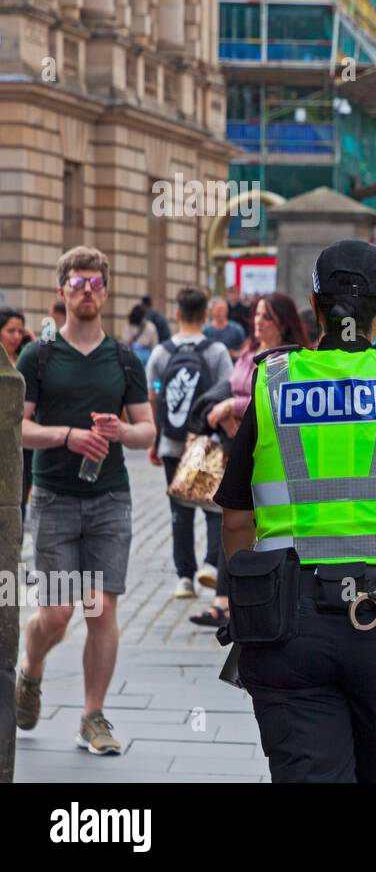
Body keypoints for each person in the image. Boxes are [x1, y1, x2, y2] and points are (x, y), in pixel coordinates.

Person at [213, 240, 376, 782]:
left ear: (314, 306)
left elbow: (237, 519)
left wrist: (253, 604)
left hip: (287, 626)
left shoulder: (271, 383)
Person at [15, 246, 155, 755]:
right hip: (53, 496)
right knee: (55, 615)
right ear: (62, 291)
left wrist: (122, 430)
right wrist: (67, 436)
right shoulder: (40, 355)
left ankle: (93, 716)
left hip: (109, 498)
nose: (87, 291)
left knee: (100, 610)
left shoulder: (123, 358)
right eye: (78, 283)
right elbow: (20, 428)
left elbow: (146, 432)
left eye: (95, 283)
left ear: (107, 291)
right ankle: (30, 670)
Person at [198, 292, 310, 627]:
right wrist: (229, 413)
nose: (259, 322)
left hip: (271, 453)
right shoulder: (248, 352)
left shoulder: (291, 360)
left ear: (284, 324)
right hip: (236, 447)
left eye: (267, 317)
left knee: (256, 524)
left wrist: (233, 409)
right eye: (257, 315)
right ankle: (226, 598)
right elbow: (239, 391)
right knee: (231, 519)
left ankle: (251, 593)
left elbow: (275, 401)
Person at [145, 287, 234, 600]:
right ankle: (210, 565)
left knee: (179, 511)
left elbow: (154, 394)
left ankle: (184, 577)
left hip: (172, 441)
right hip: (206, 443)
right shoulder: (216, 352)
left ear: (177, 314)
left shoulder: (162, 353)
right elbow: (228, 390)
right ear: (206, 315)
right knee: (212, 505)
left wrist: (156, 439)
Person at [1, 307, 36, 518]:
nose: (16, 337)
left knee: (20, 498)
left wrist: (31, 341)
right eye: (10, 331)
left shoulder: (27, 359)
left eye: (20, 331)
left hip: (25, 443)